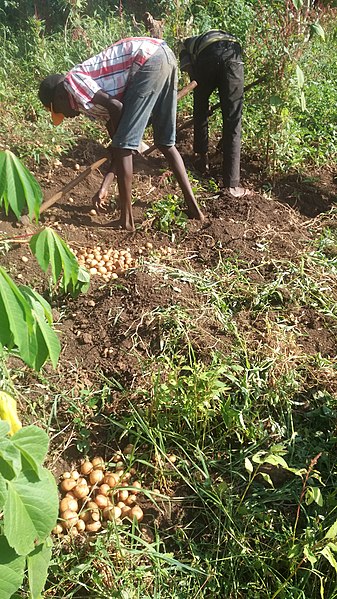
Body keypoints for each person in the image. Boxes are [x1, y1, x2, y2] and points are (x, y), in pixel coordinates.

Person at [38, 37, 204, 231]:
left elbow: (116, 108)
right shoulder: (88, 105)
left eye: (58, 111)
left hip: (149, 59)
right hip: (164, 56)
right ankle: (195, 210)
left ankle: (126, 221)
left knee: (125, 145)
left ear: (59, 96)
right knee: (165, 143)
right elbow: (117, 146)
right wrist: (105, 185)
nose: (64, 116)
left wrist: (122, 142)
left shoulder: (73, 82)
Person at [179, 30, 249, 198]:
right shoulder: (215, 37)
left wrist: (201, 91)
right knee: (233, 119)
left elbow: (188, 64)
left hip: (208, 56)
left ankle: (202, 160)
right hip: (233, 55)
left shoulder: (186, 44)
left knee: (200, 110)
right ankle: (232, 185)